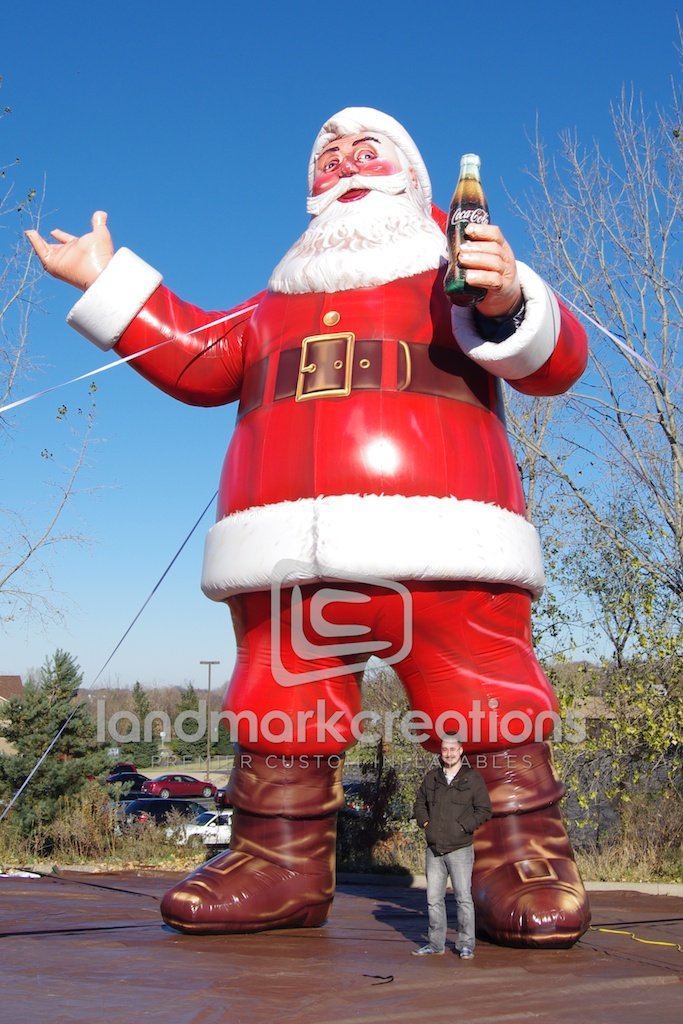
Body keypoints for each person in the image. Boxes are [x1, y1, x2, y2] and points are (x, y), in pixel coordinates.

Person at [26, 107, 590, 947]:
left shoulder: (454, 282)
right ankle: (276, 861)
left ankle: (519, 854)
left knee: (483, 696)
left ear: (413, 182)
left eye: (367, 153)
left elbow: (554, 362)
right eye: (328, 160)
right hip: (282, 546)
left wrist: (508, 296)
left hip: (449, 532)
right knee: (280, 702)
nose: (345, 166)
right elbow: (200, 359)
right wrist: (105, 279)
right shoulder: (271, 306)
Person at [413, 735, 491, 958]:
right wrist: (425, 823)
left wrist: (463, 827)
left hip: (460, 849)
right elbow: (419, 803)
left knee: (463, 898)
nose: (448, 754)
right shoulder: (432, 778)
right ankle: (435, 944)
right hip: (434, 849)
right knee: (433, 899)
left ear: (460, 750)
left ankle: (466, 944)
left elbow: (484, 809)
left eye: (452, 749)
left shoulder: (472, 779)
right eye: (445, 750)